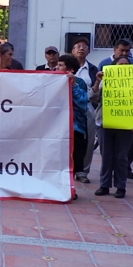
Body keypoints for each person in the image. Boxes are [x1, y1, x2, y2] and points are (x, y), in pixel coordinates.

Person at [91, 57, 133, 198]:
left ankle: (120, 187)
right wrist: (98, 81)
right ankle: (104, 185)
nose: (123, 67)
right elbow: (92, 98)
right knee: (106, 156)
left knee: (121, 157)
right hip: (105, 123)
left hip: (126, 125)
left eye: (126, 65)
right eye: (120, 64)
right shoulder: (104, 81)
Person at [57, 54, 89, 186]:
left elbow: (83, 103)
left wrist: (73, 85)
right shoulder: (51, 80)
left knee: (76, 153)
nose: (56, 67)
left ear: (69, 69)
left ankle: (77, 176)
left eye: (60, 65)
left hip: (76, 126)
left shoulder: (79, 82)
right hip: (58, 126)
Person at [71, 38, 99, 183]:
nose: (81, 48)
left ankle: (83, 171)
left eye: (84, 47)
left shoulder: (94, 70)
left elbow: (95, 93)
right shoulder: (65, 67)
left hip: (86, 108)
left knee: (87, 141)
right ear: (72, 50)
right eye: (78, 46)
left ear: (88, 50)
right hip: (69, 109)